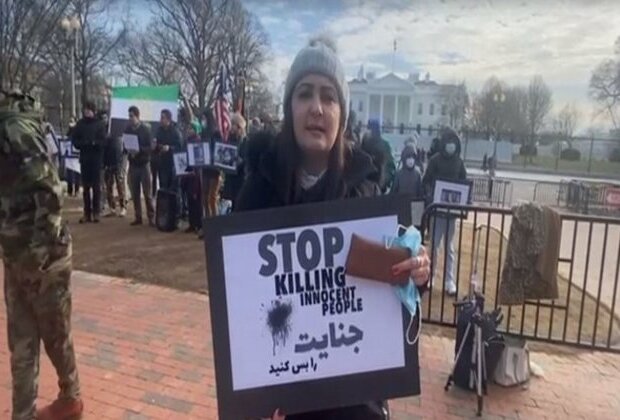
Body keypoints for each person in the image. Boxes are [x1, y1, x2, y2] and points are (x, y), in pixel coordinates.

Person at [235, 36, 430, 420]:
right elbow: (241, 300)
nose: (316, 108)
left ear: (342, 112)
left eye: (329, 96)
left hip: (355, 403)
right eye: (304, 94)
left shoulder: (367, 191)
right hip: (283, 401)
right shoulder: (256, 191)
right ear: (289, 107)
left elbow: (396, 285)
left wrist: (418, 270)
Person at [0, 90, 82, 420]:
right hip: (15, 251)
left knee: (54, 333)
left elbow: (51, 191)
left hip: (42, 254)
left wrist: (42, 250)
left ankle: (71, 396)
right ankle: (22, 414)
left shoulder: (14, 130)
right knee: (20, 339)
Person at [422, 127, 467, 296]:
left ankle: (449, 279)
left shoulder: (459, 163)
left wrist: (464, 199)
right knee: (434, 245)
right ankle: (430, 275)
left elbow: (464, 182)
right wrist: (432, 194)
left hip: (452, 212)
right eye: (448, 142)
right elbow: (426, 180)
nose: (451, 146)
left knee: (449, 247)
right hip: (437, 210)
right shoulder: (435, 160)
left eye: (453, 143)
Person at [72, 100, 106, 223]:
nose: (86, 112)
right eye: (85, 110)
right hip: (84, 158)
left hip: (96, 159)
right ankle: (87, 213)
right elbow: (75, 140)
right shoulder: (80, 124)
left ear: (93, 111)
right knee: (85, 187)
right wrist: (83, 144)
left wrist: (94, 143)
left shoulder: (100, 124)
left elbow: (103, 141)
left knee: (96, 187)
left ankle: (96, 212)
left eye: (88, 110)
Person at [124, 106, 155, 226]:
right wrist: (128, 150)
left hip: (144, 164)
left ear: (137, 116)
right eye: (129, 116)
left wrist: (139, 150)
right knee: (135, 192)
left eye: (132, 116)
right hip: (133, 164)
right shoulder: (127, 129)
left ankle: (151, 216)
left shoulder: (145, 130)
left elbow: (150, 148)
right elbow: (125, 145)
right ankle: (138, 216)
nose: (130, 118)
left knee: (147, 193)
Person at [102, 113, 127, 217]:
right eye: (103, 118)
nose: (104, 120)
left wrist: (122, 161)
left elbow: (124, 147)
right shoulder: (102, 131)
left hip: (119, 160)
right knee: (108, 185)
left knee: (120, 184)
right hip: (108, 161)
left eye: (106, 118)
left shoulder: (119, 130)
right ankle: (112, 207)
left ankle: (123, 207)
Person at [181, 121, 204, 234]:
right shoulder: (186, 141)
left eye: (192, 128)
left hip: (196, 175)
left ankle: (199, 224)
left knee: (196, 200)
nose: (189, 130)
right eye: (189, 128)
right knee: (189, 199)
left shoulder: (198, 142)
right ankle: (192, 224)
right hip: (187, 174)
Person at [221, 112, 247, 209]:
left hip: (240, 179)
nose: (231, 127)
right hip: (230, 178)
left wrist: (236, 160)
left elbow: (245, 160)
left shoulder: (245, 142)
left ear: (239, 127)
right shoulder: (230, 140)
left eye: (233, 125)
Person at [361, 120, 395, 193]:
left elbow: (390, 167)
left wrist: (384, 181)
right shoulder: (364, 145)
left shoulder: (384, 146)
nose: (368, 132)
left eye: (370, 129)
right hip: (366, 187)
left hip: (378, 185)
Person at [154, 109, 183, 191]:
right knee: (163, 188)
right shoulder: (159, 131)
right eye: (161, 117)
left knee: (172, 190)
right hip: (162, 164)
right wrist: (156, 146)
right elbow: (157, 145)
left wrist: (169, 148)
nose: (161, 120)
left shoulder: (175, 132)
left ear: (168, 119)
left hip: (172, 165)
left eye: (163, 118)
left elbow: (179, 147)